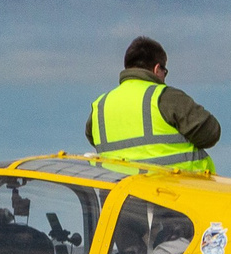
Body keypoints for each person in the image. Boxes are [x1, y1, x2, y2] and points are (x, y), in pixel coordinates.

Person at [85, 36, 220, 174]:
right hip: (175, 191)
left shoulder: (100, 106)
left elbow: (93, 138)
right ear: (157, 69)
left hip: (120, 192)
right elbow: (210, 133)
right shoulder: (166, 97)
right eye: (164, 72)